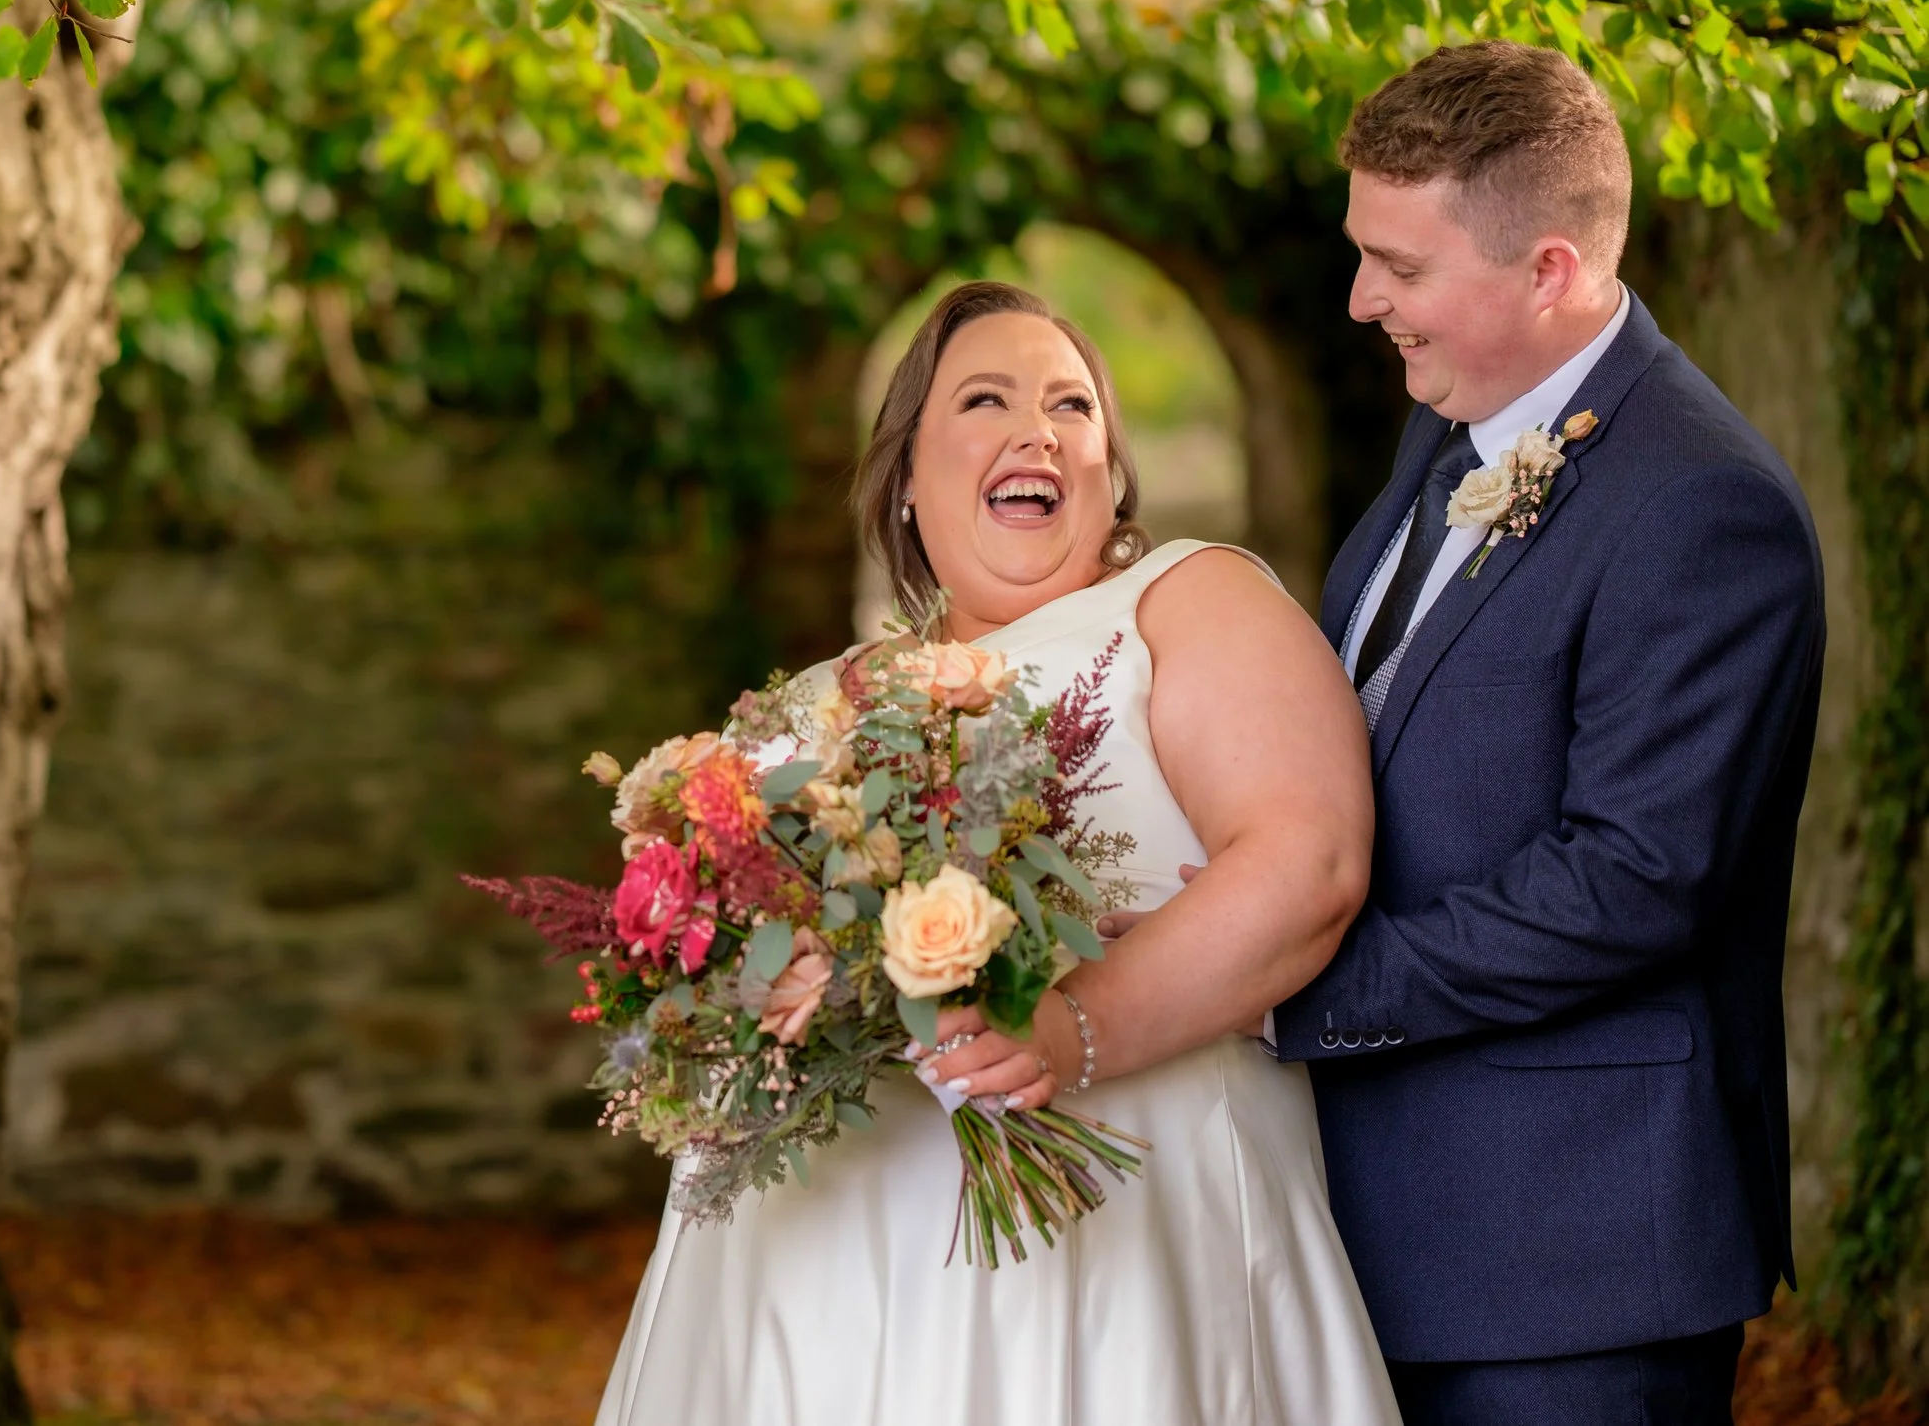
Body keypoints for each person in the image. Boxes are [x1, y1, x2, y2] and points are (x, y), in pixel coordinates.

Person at [594, 280, 1402, 1425]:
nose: (1040, 431)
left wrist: (1073, 1027)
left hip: (1125, 1241)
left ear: (1109, 470)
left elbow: (1306, 864)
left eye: (1073, 406)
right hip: (816, 1277)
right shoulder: (810, 707)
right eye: (986, 399)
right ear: (905, 477)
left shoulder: (1182, 601)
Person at [1261, 40, 1827, 1425]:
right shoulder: (1450, 427)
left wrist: (1282, 992)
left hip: (1570, 1257)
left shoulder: (1703, 506)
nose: (1360, 299)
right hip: (1384, 1221)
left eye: (1398, 265)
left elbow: (1629, 879)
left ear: (1550, 270)